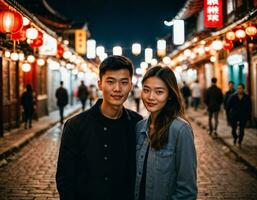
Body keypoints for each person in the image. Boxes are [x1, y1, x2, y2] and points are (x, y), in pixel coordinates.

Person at [56, 55, 143, 200]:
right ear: (100, 84)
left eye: (124, 82)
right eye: (110, 82)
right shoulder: (76, 126)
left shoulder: (137, 124)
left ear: (130, 86)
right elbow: (65, 179)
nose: (117, 89)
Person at [134, 66, 197, 200]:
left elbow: (187, 190)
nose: (150, 97)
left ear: (169, 95)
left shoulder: (180, 130)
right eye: (146, 90)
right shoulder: (140, 127)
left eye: (159, 92)